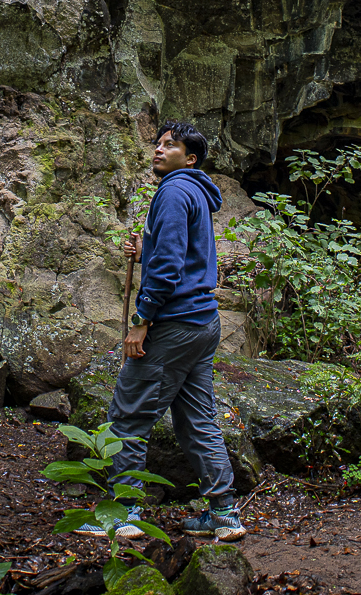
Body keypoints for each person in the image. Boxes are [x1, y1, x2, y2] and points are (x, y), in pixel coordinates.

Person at [78, 119, 245, 543]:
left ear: (189, 158)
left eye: (169, 145)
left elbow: (170, 267)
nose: (158, 148)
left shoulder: (172, 191)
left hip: (173, 324)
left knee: (129, 415)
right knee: (197, 420)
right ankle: (224, 514)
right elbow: (179, 252)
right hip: (203, 322)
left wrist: (141, 321)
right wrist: (145, 247)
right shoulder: (195, 193)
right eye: (157, 143)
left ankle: (124, 512)